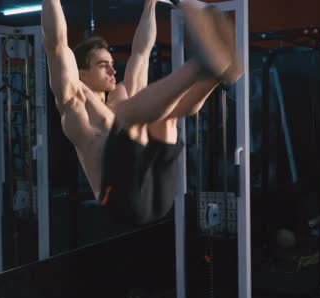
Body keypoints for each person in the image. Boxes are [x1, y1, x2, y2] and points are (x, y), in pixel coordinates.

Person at [42, 0, 241, 225]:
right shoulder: (76, 106)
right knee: (127, 112)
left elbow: (141, 52)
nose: (112, 69)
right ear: (82, 74)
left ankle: (216, 76)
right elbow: (56, 46)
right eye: (102, 65)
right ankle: (201, 68)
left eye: (111, 63)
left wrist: (151, 4)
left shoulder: (122, 98)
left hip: (159, 191)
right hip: (121, 201)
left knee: (164, 118)